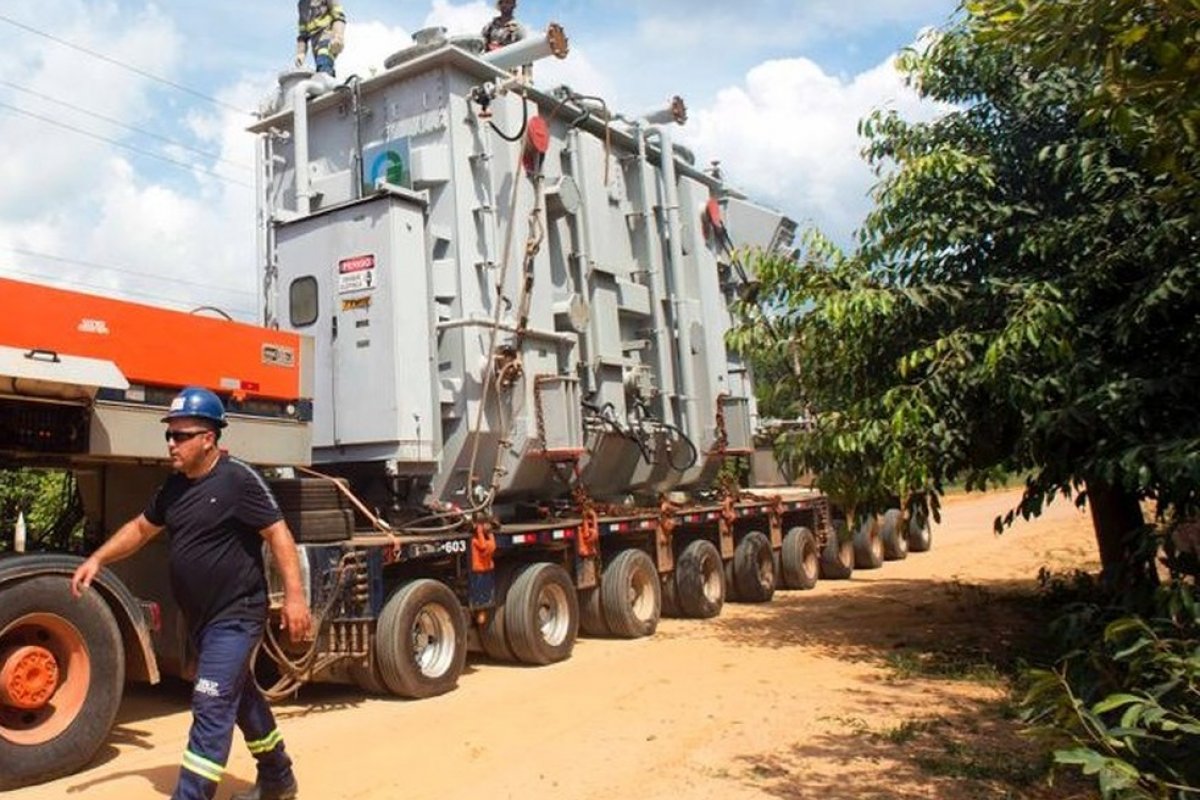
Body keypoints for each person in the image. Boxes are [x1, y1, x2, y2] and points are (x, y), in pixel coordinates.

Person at [71, 387, 311, 800]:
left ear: (208, 439)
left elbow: (279, 535)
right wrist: (98, 559)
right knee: (239, 696)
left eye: (181, 435)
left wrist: (295, 597)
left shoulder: (238, 480)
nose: (171, 443)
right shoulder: (174, 488)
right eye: (169, 434)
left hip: (237, 615)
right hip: (201, 620)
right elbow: (140, 529)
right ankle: (278, 777)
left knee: (210, 701)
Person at [295, 0, 346, 77]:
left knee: (323, 60)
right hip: (315, 44)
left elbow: (339, 17)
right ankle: (328, 79)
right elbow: (303, 34)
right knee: (321, 67)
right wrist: (301, 53)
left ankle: (325, 76)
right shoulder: (302, 4)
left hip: (328, 36)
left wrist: (338, 36)